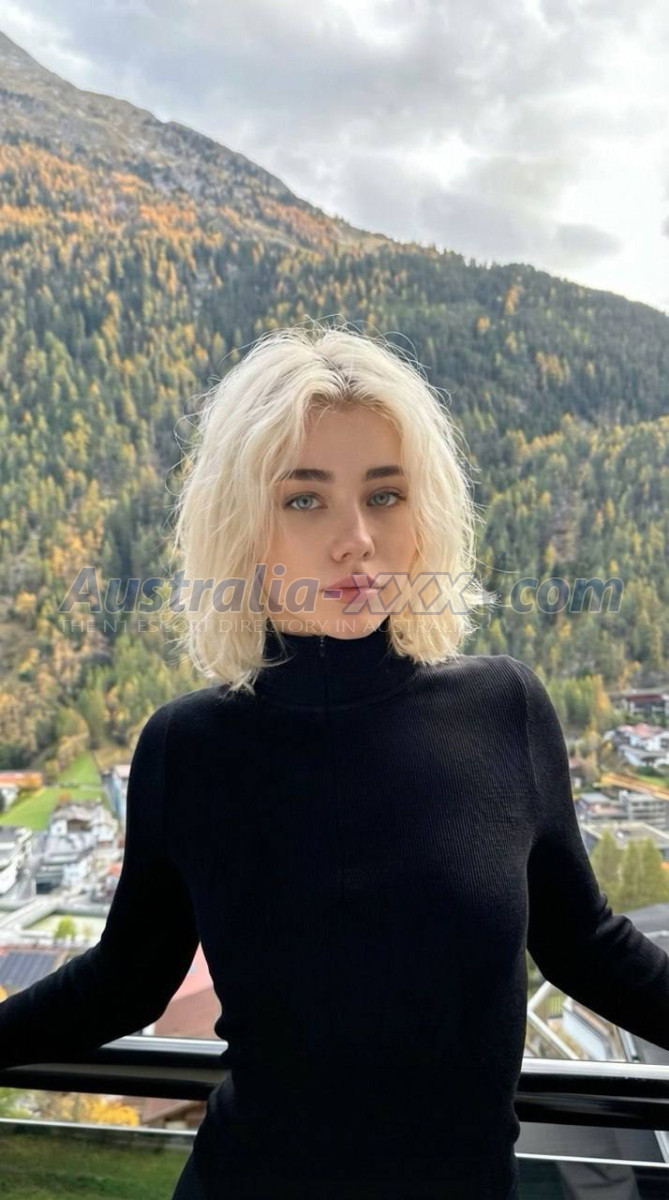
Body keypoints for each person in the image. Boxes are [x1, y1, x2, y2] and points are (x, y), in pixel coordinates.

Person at [1, 320, 668, 1200]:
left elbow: (588, 948)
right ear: (243, 525)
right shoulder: (187, 748)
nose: (355, 537)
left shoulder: (503, 709)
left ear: (422, 515)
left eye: (384, 494)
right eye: (305, 500)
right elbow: (124, 984)